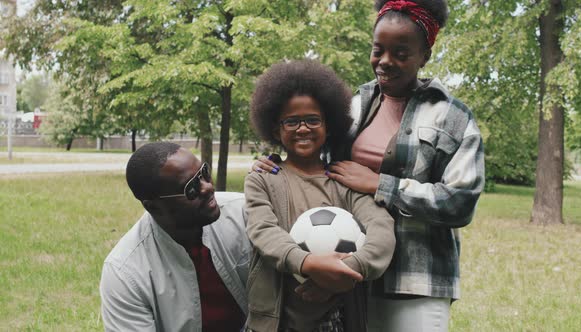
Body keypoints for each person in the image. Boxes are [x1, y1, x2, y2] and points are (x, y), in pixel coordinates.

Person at [253, 1, 485, 331]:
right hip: (349, 277)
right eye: (379, 50)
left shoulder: (452, 117)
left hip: (414, 282)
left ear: (425, 56)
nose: (386, 61)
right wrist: (276, 162)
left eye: (401, 53)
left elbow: (460, 203)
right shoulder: (354, 105)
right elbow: (318, 161)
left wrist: (381, 185)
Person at [244, 60, 396, 332]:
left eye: (313, 119)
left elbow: (382, 231)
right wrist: (308, 263)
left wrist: (343, 274)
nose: (303, 128)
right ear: (276, 129)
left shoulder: (345, 182)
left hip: (335, 320)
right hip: (275, 321)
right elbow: (263, 231)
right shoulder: (263, 179)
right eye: (291, 121)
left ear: (329, 126)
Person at [100, 142, 251, 332]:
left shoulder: (244, 214)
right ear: (153, 207)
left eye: (204, 173)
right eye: (191, 188)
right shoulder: (125, 273)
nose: (208, 188)